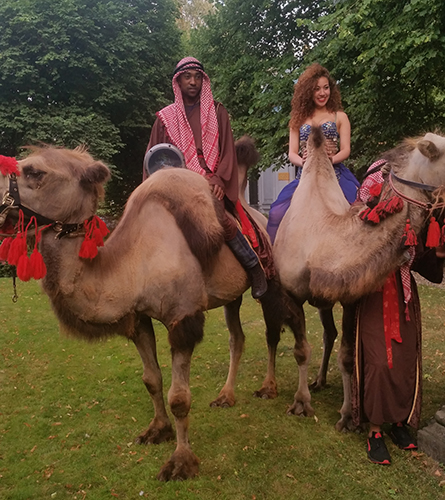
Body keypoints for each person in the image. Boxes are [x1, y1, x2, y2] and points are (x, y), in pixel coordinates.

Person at [145, 56, 267, 299]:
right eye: (187, 77)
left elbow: (227, 151)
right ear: (177, 82)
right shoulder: (164, 119)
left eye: (197, 77)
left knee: (219, 217)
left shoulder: (218, 112)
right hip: (176, 182)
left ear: (204, 81)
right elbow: (154, 158)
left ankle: (254, 267)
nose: (193, 82)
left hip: (210, 180)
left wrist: (220, 180)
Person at [352, 166, 445, 465]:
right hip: (374, 294)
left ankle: (398, 423)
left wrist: (433, 248)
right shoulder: (366, 209)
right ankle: (375, 430)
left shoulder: (415, 215)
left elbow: (423, 261)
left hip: (404, 295)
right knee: (379, 362)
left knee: (405, 361)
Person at [267, 63, 359, 243]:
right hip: (305, 175)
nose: (322, 93)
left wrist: (328, 160)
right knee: (276, 212)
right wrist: (306, 163)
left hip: (336, 175)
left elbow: (346, 149)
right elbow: (292, 153)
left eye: (326, 88)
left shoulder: (339, 117)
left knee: (359, 210)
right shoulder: (298, 119)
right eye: (317, 89)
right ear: (308, 91)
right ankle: (272, 263)